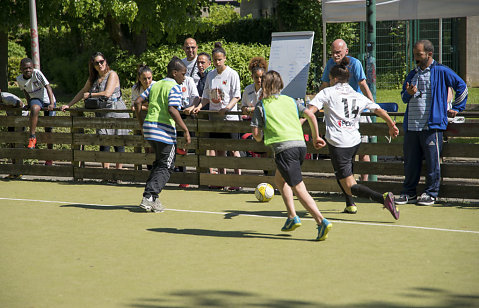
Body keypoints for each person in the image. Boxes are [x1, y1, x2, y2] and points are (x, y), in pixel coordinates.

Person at [308, 57, 400, 219]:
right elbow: (377, 109)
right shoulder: (355, 94)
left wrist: (300, 121)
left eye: (329, 79)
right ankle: (350, 204)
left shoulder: (327, 92)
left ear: (335, 79)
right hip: (354, 142)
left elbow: (310, 110)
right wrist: (391, 125)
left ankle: (384, 198)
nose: (329, 82)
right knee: (342, 174)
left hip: (339, 143)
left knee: (350, 184)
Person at [250, 70, 332, 241]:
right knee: (280, 181)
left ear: (264, 86)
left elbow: (256, 135)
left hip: (284, 150)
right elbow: (310, 114)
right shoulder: (291, 101)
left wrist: (259, 136)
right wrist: (316, 136)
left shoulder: (261, 106)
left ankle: (321, 221)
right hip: (300, 146)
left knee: (299, 188)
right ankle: (291, 217)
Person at [396, 40, 468, 206]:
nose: (416, 58)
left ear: (429, 54)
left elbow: (462, 87)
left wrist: (457, 107)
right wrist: (408, 93)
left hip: (432, 126)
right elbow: (403, 97)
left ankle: (431, 193)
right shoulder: (412, 73)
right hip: (412, 125)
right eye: (414, 54)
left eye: (419, 55)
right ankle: (409, 193)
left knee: (432, 162)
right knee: (410, 162)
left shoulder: (441, 71)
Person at [134, 56, 191, 212]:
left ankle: (153, 199)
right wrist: (185, 130)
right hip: (164, 132)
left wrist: (141, 124)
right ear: (174, 73)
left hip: (150, 129)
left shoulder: (155, 84)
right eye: (183, 73)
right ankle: (149, 196)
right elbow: (172, 109)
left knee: (160, 163)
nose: (184, 77)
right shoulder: (175, 87)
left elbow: (137, 102)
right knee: (167, 166)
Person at [320, 39, 374, 201]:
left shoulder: (355, 64)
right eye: (333, 52)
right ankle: (350, 189)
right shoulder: (330, 64)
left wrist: (371, 105)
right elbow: (324, 85)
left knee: (363, 149)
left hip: (357, 109)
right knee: (344, 153)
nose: (335, 55)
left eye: (338, 52)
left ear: (346, 51)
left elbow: (363, 85)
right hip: (339, 112)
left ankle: (364, 184)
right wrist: (318, 103)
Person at [184, 42, 242, 189]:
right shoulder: (210, 75)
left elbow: (237, 96)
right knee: (218, 149)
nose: (217, 62)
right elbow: (206, 97)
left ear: (225, 59)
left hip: (230, 118)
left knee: (233, 149)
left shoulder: (232, 74)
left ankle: (239, 180)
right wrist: (198, 107)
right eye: (215, 59)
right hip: (214, 118)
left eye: (219, 59)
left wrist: (227, 108)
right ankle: (221, 180)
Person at [61, 52, 130, 171]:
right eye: (96, 63)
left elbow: (108, 93)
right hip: (102, 114)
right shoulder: (94, 78)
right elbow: (83, 91)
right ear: (93, 65)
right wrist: (69, 104)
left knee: (118, 143)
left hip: (116, 111)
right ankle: (105, 173)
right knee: (103, 142)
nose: (100, 65)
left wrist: (91, 94)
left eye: (101, 61)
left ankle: (119, 174)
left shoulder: (112, 74)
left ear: (106, 61)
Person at [16, 58, 56, 164]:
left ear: (33, 68)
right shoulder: (19, 79)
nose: (28, 70)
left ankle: (49, 157)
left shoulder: (37, 73)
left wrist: (52, 103)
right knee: (34, 109)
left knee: (48, 129)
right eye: (25, 68)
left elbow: (48, 87)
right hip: (36, 99)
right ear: (21, 69)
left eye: (30, 68)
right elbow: (25, 91)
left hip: (47, 99)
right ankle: (32, 137)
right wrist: (29, 103)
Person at [131, 64, 156, 170]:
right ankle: (149, 168)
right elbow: (133, 107)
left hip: (155, 119)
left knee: (153, 145)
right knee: (146, 145)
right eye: (144, 79)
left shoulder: (156, 86)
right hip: (142, 118)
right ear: (139, 79)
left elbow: (156, 105)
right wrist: (146, 105)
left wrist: (142, 106)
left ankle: (155, 167)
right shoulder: (136, 89)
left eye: (149, 78)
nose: (147, 81)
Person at [1, 89, 28, 179]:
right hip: (12, 120)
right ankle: (14, 170)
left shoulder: (6, 98)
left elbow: (20, 104)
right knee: (12, 144)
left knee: (17, 143)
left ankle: (19, 171)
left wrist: (9, 108)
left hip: (21, 117)